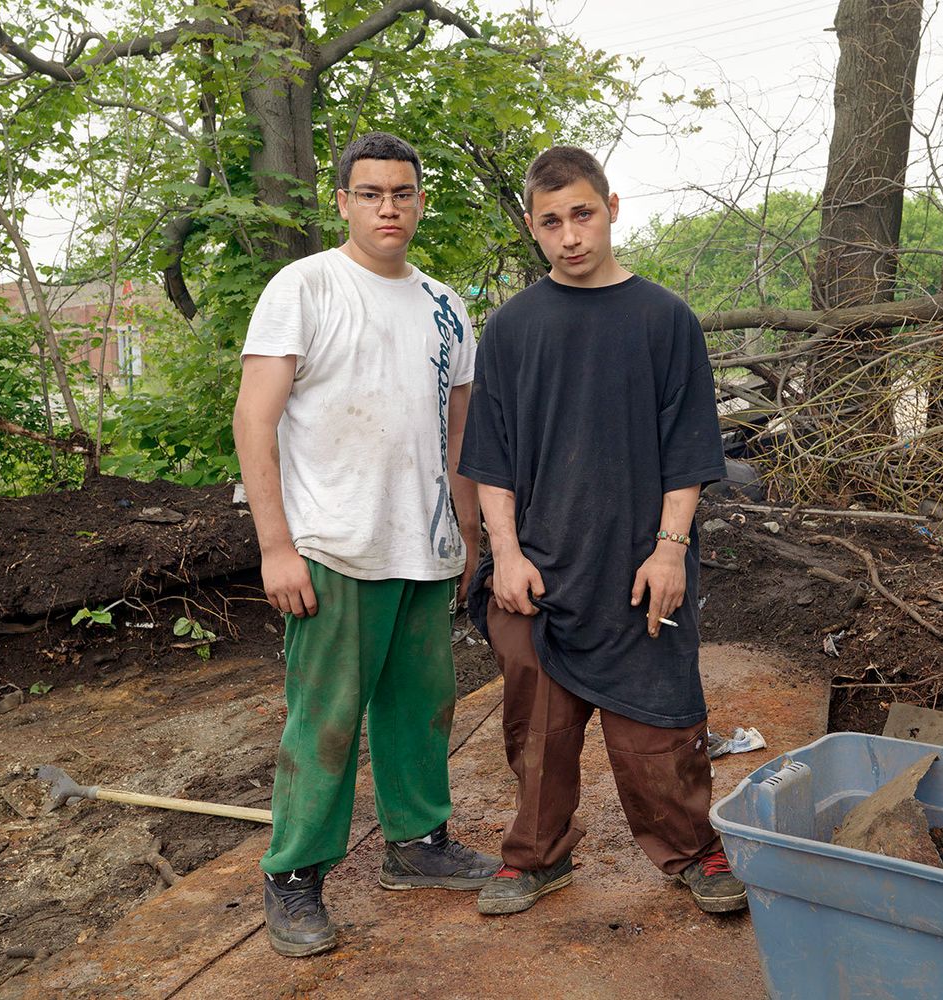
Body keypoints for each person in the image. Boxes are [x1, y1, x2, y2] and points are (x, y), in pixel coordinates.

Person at [457, 146, 746, 917]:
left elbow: (687, 451)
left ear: (611, 208)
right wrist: (506, 555)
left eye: (582, 214)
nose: (570, 235)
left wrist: (670, 547)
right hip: (542, 576)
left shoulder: (664, 320)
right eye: (550, 222)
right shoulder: (513, 328)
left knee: (659, 729)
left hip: (637, 571)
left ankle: (693, 851)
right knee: (538, 737)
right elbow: (493, 459)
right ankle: (536, 858)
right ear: (533, 227)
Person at [232, 131, 498, 958]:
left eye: (404, 193)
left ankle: (417, 846)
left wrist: (470, 535)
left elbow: (460, 434)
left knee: (423, 710)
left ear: (420, 201)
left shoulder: (447, 305)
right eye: (372, 192)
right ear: (343, 201)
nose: (390, 207)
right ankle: (295, 873)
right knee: (328, 720)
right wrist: (276, 547)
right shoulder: (305, 286)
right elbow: (255, 418)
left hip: (422, 545)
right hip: (332, 544)